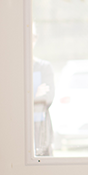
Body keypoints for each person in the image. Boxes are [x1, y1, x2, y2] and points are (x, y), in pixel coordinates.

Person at [29, 23, 56, 156]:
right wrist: (35, 94)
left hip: (41, 130)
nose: (30, 40)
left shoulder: (44, 68)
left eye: (33, 37)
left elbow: (47, 98)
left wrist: (28, 97)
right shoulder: (12, 70)